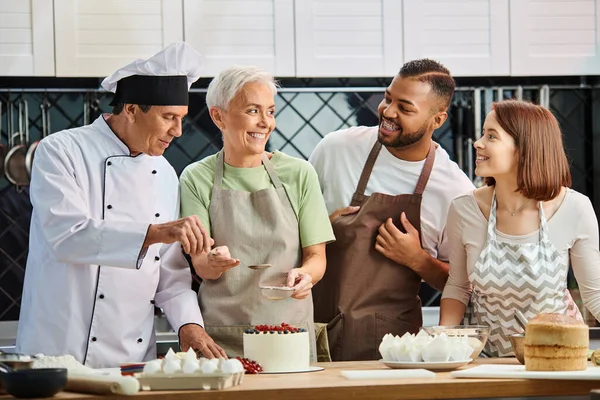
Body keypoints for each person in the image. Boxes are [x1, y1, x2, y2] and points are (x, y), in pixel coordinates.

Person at [16, 42, 225, 368]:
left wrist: (189, 326)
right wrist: (157, 232)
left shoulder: (166, 174)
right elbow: (67, 237)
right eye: (168, 117)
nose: (179, 131)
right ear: (130, 109)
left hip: (132, 358)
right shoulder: (62, 151)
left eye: (181, 118)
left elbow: (170, 273)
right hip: (59, 349)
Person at [309, 59, 474, 361]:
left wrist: (418, 259)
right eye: (388, 98)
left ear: (437, 120)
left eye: (405, 108)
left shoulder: (455, 191)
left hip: (391, 351)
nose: (388, 112)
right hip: (311, 332)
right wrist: (320, 230)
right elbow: (289, 232)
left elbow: (464, 285)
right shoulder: (336, 149)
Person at [179, 65, 335, 359]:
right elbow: (200, 264)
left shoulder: (299, 174)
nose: (266, 122)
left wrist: (306, 276)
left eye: (271, 111)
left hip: (288, 336)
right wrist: (214, 261)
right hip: (221, 340)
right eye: (253, 110)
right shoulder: (195, 177)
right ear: (218, 116)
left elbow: (316, 258)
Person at [440, 99, 600, 357]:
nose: (478, 143)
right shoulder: (464, 209)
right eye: (483, 133)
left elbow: (595, 293)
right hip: (484, 361)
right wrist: (442, 343)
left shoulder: (575, 208)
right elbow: (458, 286)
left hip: (556, 357)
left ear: (525, 149)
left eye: (491, 136)